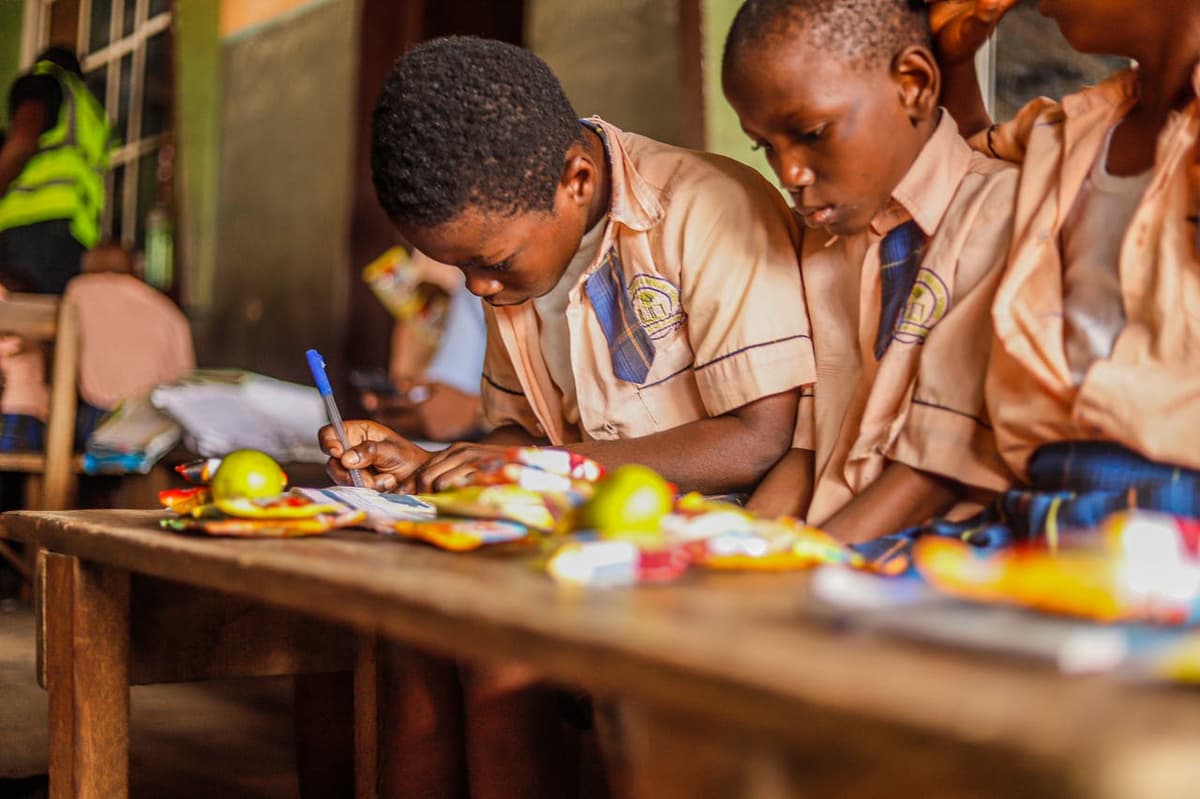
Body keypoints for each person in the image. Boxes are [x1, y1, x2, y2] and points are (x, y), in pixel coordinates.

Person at [323, 35, 814, 798]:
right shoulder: (511, 254)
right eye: (463, 271)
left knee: (501, 652)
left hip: (711, 524)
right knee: (412, 623)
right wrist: (432, 464)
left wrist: (543, 467)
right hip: (574, 517)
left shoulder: (707, 211)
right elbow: (516, 430)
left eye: (492, 264)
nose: (480, 290)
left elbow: (759, 439)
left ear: (576, 181)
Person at [729, 0, 1017, 548]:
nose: (789, 172)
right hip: (828, 548)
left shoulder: (1005, 214)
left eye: (812, 132)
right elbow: (809, 449)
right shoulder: (822, 242)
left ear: (912, 85)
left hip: (934, 566)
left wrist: (803, 572)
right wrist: (740, 548)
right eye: (766, 145)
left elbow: (937, 470)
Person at [914, 0, 1200, 546]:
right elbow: (965, 164)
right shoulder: (1075, 126)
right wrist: (953, 61)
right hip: (1047, 496)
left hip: (1176, 501)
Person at [0, 46, 111, 296]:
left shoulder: (45, 84)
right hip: (74, 239)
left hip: (29, 226)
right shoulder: (92, 114)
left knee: (17, 321)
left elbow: (21, 144)